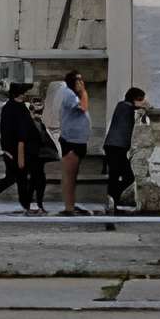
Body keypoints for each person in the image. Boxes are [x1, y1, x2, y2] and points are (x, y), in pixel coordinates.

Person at [0, 82, 51, 213]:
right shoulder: (15, 108)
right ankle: (29, 205)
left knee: (27, 178)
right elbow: (16, 133)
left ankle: (31, 205)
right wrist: (12, 152)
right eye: (23, 93)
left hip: (25, 149)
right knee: (20, 178)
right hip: (19, 150)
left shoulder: (18, 107)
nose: (25, 95)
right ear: (18, 94)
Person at [50, 73, 93, 215]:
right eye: (78, 80)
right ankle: (69, 207)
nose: (81, 82)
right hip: (71, 142)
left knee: (73, 178)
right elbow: (83, 107)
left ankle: (71, 205)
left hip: (79, 141)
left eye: (82, 79)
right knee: (69, 177)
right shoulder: (69, 94)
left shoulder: (73, 94)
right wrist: (84, 92)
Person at [103, 86, 145, 213]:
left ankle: (113, 199)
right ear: (134, 99)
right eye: (140, 99)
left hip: (117, 146)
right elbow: (131, 107)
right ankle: (112, 199)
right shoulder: (124, 106)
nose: (142, 102)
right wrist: (144, 107)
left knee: (120, 176)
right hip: (115, 146)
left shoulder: (125, 107)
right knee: (121, 176)